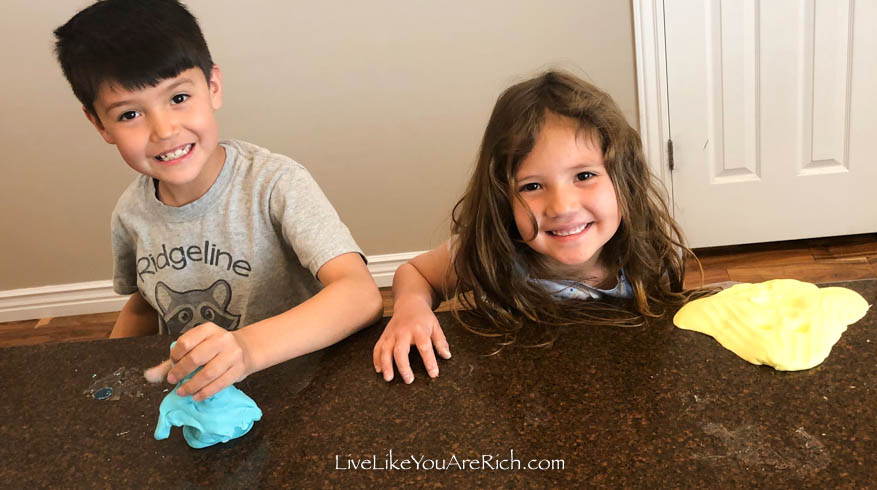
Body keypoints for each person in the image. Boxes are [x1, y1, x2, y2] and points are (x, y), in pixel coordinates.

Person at [53, 0, 383, 400]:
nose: (164, 130)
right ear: (99, 124)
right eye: (129, 115)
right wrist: (110, 377)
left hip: (301, 393)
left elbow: (360, 294)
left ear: (212, 86)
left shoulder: (275, 183)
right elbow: (145, 303)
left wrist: (246, 349)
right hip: (199, 402)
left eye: (178, 99)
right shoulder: (130, 213)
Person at [374, 70, 698, 384]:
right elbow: (416, 273)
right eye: (531, 186)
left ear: (623, 181)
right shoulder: (493, 254)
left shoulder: (643, 253)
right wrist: (410, 308)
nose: (562, 207)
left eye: (584, 176)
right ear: (504, 197)